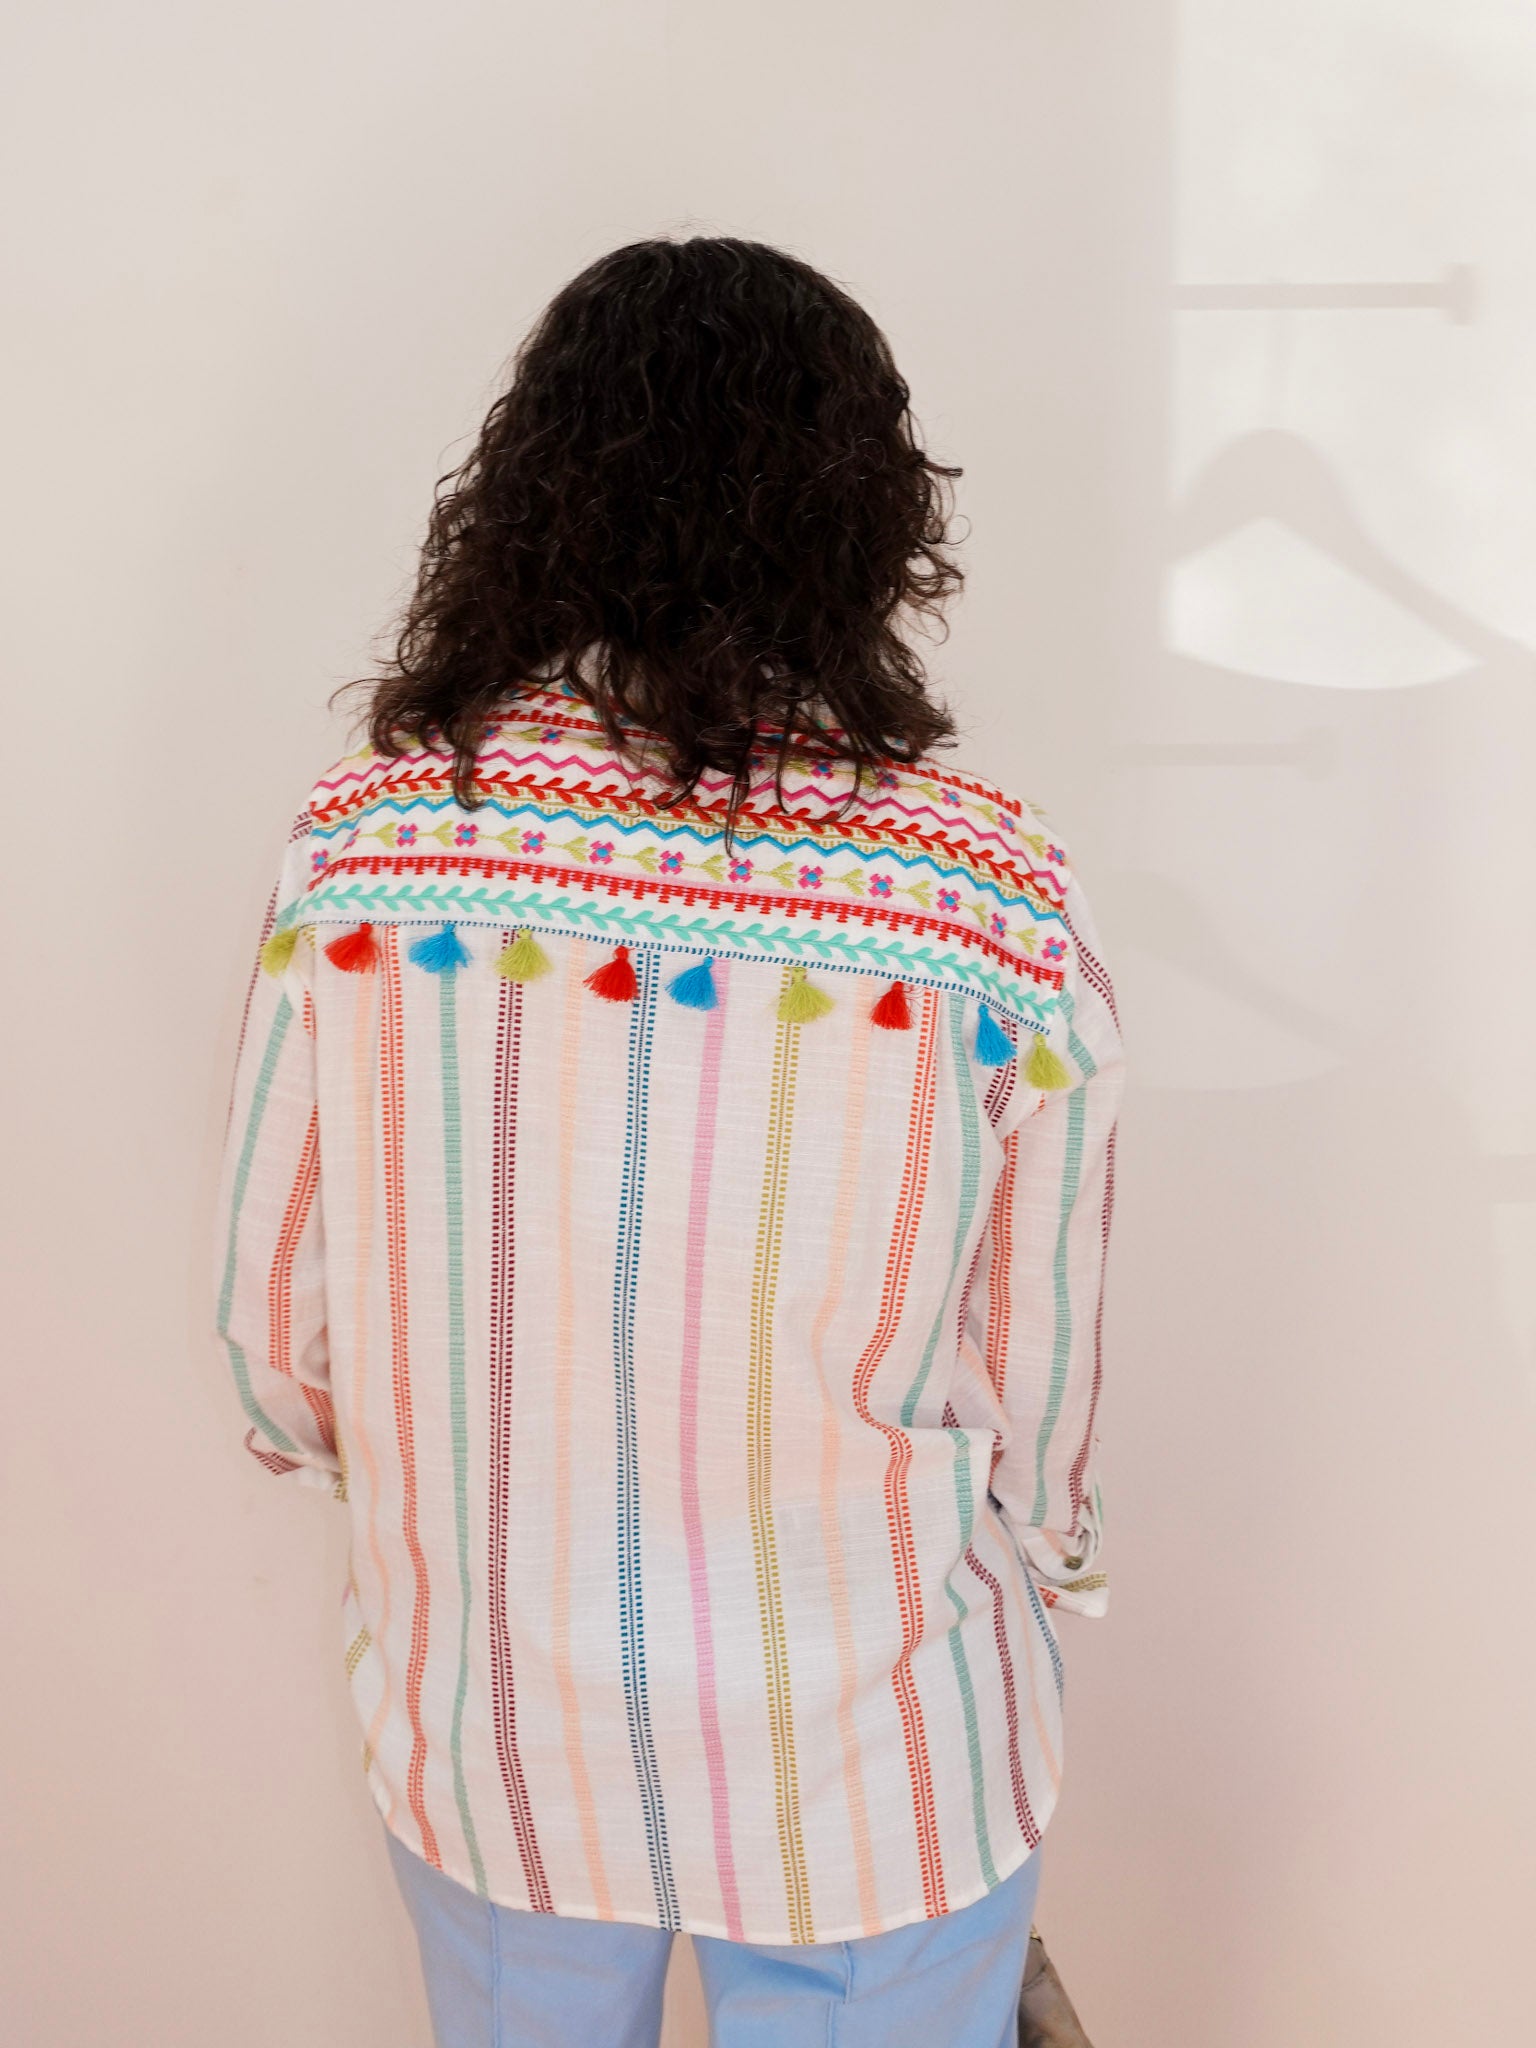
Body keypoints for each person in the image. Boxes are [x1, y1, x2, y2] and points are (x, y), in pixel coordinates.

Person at [213, 235, 1124, 2048]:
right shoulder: (988, 890)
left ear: (533, 488)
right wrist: (1063, 1549)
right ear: (865, 514)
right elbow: (1039, 1391)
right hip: (874, 1739)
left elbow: (278, 1331)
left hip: (497, 1720)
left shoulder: (364, 851)